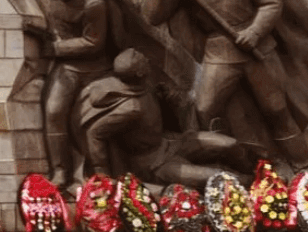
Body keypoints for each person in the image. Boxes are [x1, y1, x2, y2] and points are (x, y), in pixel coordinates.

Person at [140, 0, 308, 171]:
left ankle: (304, 169)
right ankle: (230, 164)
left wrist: (254, 31)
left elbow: (271, 3)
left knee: (276, 110)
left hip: (258, 50)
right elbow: (153, 16)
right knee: (205, 110)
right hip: (220, 52)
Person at [77, 48, 251, 188]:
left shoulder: (145, 83)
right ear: (139, 72)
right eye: (142, 59)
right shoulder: (131, 108)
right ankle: (259, 192)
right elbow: (95, 133)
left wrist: (167, 98)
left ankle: (259, 174)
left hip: (171, 143)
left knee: (230, 144)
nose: (147, 59)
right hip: (155, 164)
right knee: (220, 178)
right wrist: (102, 174)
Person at [36, 0, 115, 188]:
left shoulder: (94, 2)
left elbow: (94, 42)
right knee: (53, 111)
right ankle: (61, 171)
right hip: (68, 68)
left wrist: (55, 49)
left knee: (93, 120)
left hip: (97, 68)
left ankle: (103, 174)